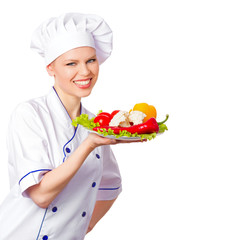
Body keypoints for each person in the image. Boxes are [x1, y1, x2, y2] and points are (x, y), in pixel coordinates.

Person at [0, 12, 141, 240]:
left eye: (91, 60)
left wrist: (83, 226)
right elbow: (41, 195)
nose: (85, 72)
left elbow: (111, 184)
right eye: (71, 63)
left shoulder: (95, 124)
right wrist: (88, 145)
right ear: (50, 68)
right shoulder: (30, 114)